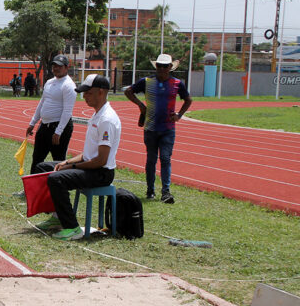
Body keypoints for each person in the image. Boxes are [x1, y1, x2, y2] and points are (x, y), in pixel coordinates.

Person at [33, 74, 121, 241]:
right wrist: (67, 161)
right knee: (42, 167)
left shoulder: (106, 119)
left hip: (101, 173)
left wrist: (71, 167)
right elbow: (88, 153)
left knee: (56, 179)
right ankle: (56, 217)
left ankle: (72, 227)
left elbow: (100, 160)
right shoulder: (97, 115)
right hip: (91, 166)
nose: (84, 96)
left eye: (88, 92)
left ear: (101, 92)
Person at [124, 53, 192, 204]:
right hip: (151, 128)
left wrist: (179, 115)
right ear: (156, 66)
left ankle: (166, 191)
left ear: (170, 67)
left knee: (166, 159)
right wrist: (140, 105)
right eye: (159, 66)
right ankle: (150, 190)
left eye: (165, 66)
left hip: (168, 128)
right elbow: (128, 91)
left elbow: (188, 100)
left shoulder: (177, 83)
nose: (162, 69)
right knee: (151, 160)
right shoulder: (147, 81)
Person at [25, 55, 77, 173]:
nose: (56, 68)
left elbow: (67, 111)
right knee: (37, 158)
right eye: (54, 66)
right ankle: (33, 184)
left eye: (59, 66)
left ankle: (58, 184)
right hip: (45, 125)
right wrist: (32, 123)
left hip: (58, 128)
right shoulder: (49, 82)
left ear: (66, 67)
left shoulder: (68, 85)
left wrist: (58, 131)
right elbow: (42, 103)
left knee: (58, 161)